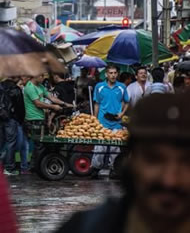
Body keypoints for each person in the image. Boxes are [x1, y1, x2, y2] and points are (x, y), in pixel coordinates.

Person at [53, 92, 190, 233]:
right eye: (154, 160)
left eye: (186, 162)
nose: (170, 180)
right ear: (132, 161)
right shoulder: (87, 227)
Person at [91, 64, 129, 178]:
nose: (113, 75)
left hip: (116, 122)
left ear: (117, 74)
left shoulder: (122, 87)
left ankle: (114, 169)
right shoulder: (99, 87)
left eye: (115, 73)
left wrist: (122, 113)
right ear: (106, 74)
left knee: (115, 148)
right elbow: (96, 104)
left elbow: (127, 102)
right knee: (99, 147)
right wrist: (94, 120)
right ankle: (95, 168)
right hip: (102, 121)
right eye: (110, 73)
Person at [23, 75, 64, 170]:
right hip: (33, 120)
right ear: (35, 76)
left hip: (41, 119)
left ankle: (38, 166)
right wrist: (53, 107)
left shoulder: (40, 86)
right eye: (41, 76)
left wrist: (64, 103)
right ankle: (34, 167)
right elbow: (38, 103)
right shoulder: (30, 87)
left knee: (43, 144)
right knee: (39, 145)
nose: (43, 78)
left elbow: (52, 98)